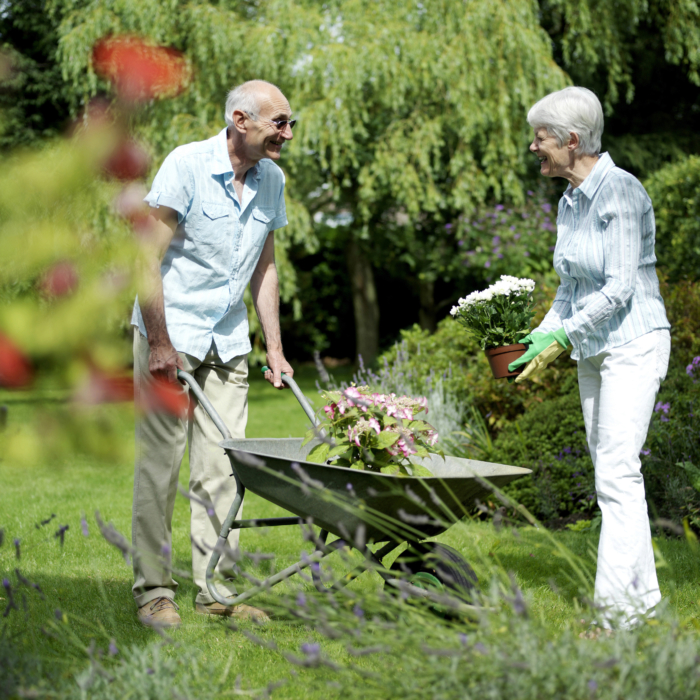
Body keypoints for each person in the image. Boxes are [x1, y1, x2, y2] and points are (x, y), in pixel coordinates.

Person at [131, 80, 295, 628]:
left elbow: (264, 265)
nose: (287, 134)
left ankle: (215, 590)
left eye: (290, 123)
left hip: (227, 339)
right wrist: (158, 340)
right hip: (169, 334)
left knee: (226, 467)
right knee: (161, 465)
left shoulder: (272, 180)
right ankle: (154, 591)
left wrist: (273, 347)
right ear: (241, 120)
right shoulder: (187, 165)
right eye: (279, 123)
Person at [510, 86, 671, 631]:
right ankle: (641, 602)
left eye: (541, 137)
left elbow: (621, 287)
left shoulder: (620, 193)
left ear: (571, 140)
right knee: (611, 474)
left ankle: (616, 617)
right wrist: (540, 336)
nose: (534, 147)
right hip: (596, 350)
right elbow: (571, 290)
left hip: (634, 343)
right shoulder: (570, 200)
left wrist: (562, 338)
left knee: (618, 475)